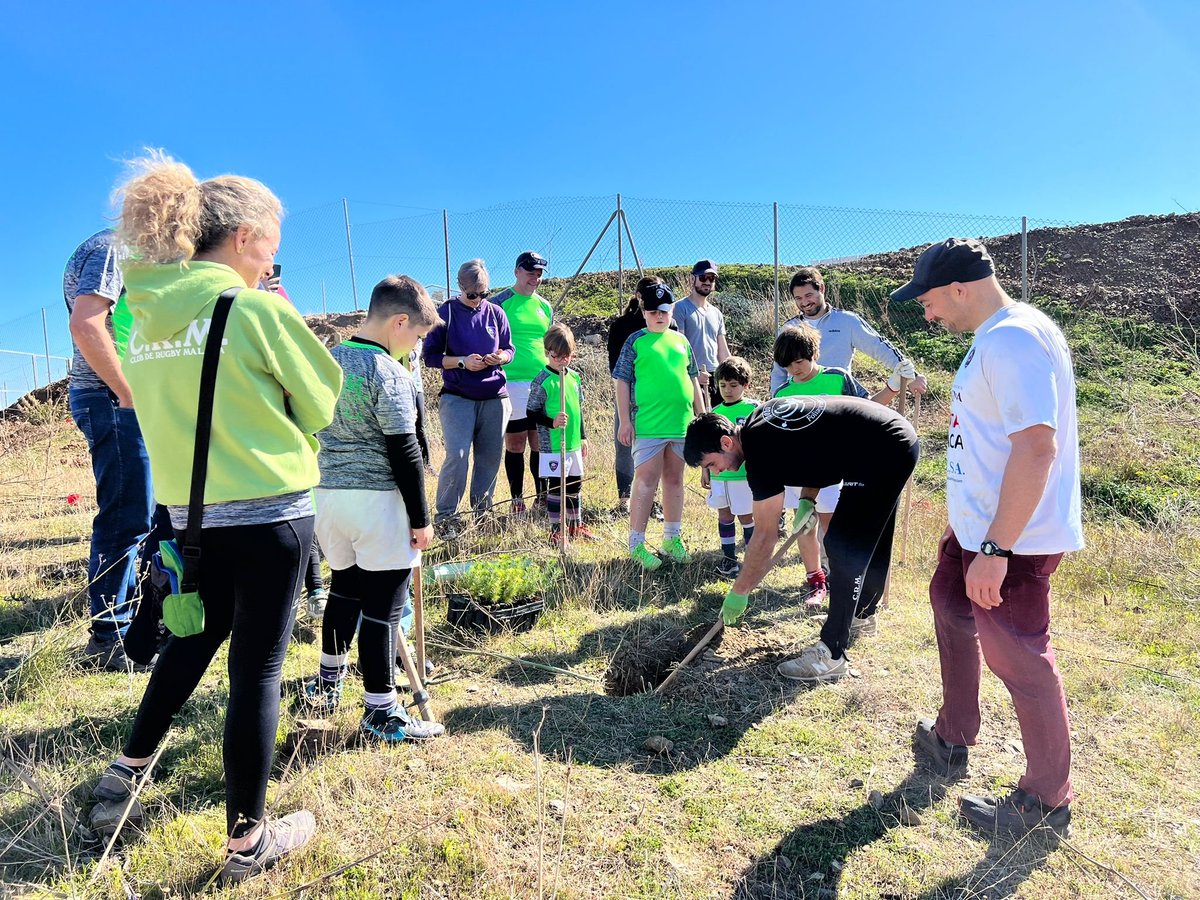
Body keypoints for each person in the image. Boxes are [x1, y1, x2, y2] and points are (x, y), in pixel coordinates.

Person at [93, 151, 342, 883]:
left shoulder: (145, 320)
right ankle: (247, 843)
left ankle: (126, 769)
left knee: (194, 638)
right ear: (242, 237)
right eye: (270, 249)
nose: (270, 264)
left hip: (189, 520)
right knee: (257, 669)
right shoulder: (257, 310)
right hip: (271, 515)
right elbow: (322, 404)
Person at [896, 238, 1082, 837]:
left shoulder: (1013, 339)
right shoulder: (998, 336)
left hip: (1013, 540)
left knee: (1019, 656)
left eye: (928, 301)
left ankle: (1046, 801)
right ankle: (953, 735)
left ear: (959, 288)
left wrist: (997, 548)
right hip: (979, 529)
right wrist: (968, 526)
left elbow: (1036, 448)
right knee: (949, 604)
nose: (927, 314)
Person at [683, 396, 918, 681]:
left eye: (712, 464)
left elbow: (765, 536)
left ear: (726, 442)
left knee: (842, 545)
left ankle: (831, 655)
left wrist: (740, 591)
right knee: (869, 534)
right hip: (890, 437)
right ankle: (862, 614)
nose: (716, 472)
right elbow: (817, 448)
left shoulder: (760, 454)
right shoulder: (760, 425)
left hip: (880, 448)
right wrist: (807, 498)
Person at [304, 275, 446, 742]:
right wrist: (421, 518)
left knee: (345, 590)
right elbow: (405, 450)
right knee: (384, 608)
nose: (417, 345)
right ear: (399, 322)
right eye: (418, 335)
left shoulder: (326, 360)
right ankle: (381, 711)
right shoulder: (388, 371)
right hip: (377, 500)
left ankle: (327, 684)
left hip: (328, 498)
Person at [64, 228, 164, 670]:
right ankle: (110, 637)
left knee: (148, 515)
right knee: (127, 516)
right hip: (110, 398)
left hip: (124, 398)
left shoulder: (133, 253)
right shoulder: (114, 248)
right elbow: (86, 323)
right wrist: (127, 393)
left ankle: (136, 624)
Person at [772, 324, 896, 605]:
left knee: (833, 527)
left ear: (813, 353)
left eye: (799, 362)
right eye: (787, 365)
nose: (794, 370)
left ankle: (840, 578)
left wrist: (892, 387)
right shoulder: (781, 393)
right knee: (804, 525)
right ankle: (816, 581)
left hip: (832, 470)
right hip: (798, 471)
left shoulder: (837, 378)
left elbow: (868, 408)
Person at [614, 282, 706, 570]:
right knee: (645, 481)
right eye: (653, 312)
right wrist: (625, 421)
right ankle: (636, 544)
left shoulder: (681, 341)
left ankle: (671, 538)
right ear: (644, 312)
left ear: (672, 311)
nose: (659, 316)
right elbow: (622, 381)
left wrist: (703, 418)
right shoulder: (635, 341)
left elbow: (693, 380)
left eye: (664, 311)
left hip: (680, 424)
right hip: (649, 425)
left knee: (675, 479)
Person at [423, 259, 514, 535]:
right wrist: (462, 361)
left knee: (490, 457)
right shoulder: (446, 313)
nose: (478, 300)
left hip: (495, 396)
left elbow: (509, 348)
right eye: (473, 294)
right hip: (458, 397)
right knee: (458, 455)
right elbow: (430, 357)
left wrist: (500, 357)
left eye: (484, 293)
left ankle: (483, 515)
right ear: (460, 287)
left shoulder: (496, 313)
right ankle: (446, 517)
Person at [769, 266, 927, 400]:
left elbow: (878, 346)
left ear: (821, 288)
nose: (804, 302)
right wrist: (775, 403)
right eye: (798, 298)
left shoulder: (846, 321)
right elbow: (778, 370)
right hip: (799, 403)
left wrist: (910, 375)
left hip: (838, 401)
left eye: (808, 295)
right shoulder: (789, 328)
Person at [606, 277, 679, 513]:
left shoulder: (671, 326)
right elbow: (616, 370)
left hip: (661, 400)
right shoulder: (621, 326)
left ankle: (652, 500)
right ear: (639, 297)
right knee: (625, 446)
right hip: (630, 396)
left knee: (658, 448)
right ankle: (624, 499)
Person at [493, 251, 553, 515]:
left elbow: (550, 341)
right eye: (530, 273)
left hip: (541, 383)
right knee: (516, 443)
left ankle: (542, 498)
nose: (535, 279)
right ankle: (517, 500)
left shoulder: (545, 306)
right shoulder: (499, 303)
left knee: (539, 442)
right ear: (517, 271)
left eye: (539, 274)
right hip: (511, 382)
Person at [526, 323, 594, 544]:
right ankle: (557, 530)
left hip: (573, 443)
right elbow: (531, 412)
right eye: (557, 356)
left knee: (575, 484)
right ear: (547, 353)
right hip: (554, 445)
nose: (563, 361)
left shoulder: (574, 378)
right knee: (557, 488)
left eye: (567, 356)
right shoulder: (542, 380)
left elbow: (578, 410)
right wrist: (552, 422)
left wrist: (583, 436)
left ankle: (575, 526)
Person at [702, 357, 758, 577]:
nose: (728, 390)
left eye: (733, 385)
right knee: (724, 516)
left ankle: (753, 561)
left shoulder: (754, 409)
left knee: (746, 517)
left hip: (743, 477)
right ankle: (729, 559)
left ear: (745, 385)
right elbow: (707, 447)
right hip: (719, 478)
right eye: (723, 385)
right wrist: (705, 470)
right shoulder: (714, 412)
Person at [674, 259, 730, 408]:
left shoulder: (716, 313)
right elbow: (678, 349)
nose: (707, 282)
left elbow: (722, 350)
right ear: (693, 279)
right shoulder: (679, 308)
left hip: (716, 377)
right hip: (693, 378)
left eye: (712, 278)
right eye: (703, 277)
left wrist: (732, 374)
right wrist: (693, 375)